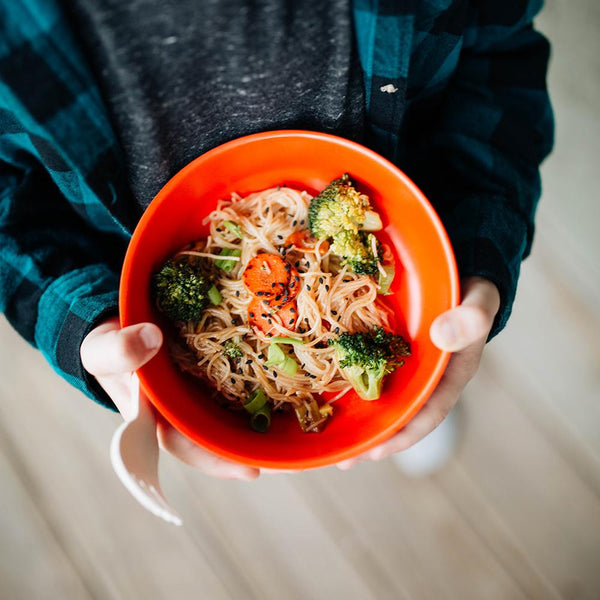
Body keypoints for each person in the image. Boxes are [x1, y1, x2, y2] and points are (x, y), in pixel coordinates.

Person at [0, 0, 553, 480]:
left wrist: (479, 245)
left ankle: (407, 396)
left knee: (408, 384)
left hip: (421, 200)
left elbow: (498, 59)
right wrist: (79, 319)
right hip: (136, 256)